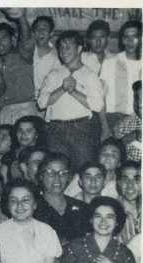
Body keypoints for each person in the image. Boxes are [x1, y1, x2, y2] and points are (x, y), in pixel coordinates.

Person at [38, 30, 104, 171]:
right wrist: (62, 88)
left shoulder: (90, 75)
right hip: (55, 130)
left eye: (68, 47)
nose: (63, 51)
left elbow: (98, 106)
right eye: (61, 47)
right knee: (58, 171)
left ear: (79, 49)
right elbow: (41, 103)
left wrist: (74, 91)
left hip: (82, 129)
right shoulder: (54, 74)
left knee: (83, 170)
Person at [0, 179, 61, 263]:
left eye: (26, 200)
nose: (19, 205)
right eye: (13, 201)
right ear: (7, 204)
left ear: (35, 204)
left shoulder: (47, 231)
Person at [32, 153, 89, 242]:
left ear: (69, 177)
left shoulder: (82, 208)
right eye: (51, 173)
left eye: (62, 173)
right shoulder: (33, 209)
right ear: (41, 176)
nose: (57, 177)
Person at [99, 20, 141, 137]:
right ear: (122, 40)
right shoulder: (110, 63)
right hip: (111, 120)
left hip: (137, 122)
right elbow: (100, 97)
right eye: (126, 37)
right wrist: (104, 127)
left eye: (135, 36)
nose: (130, 41)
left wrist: (128, 124)